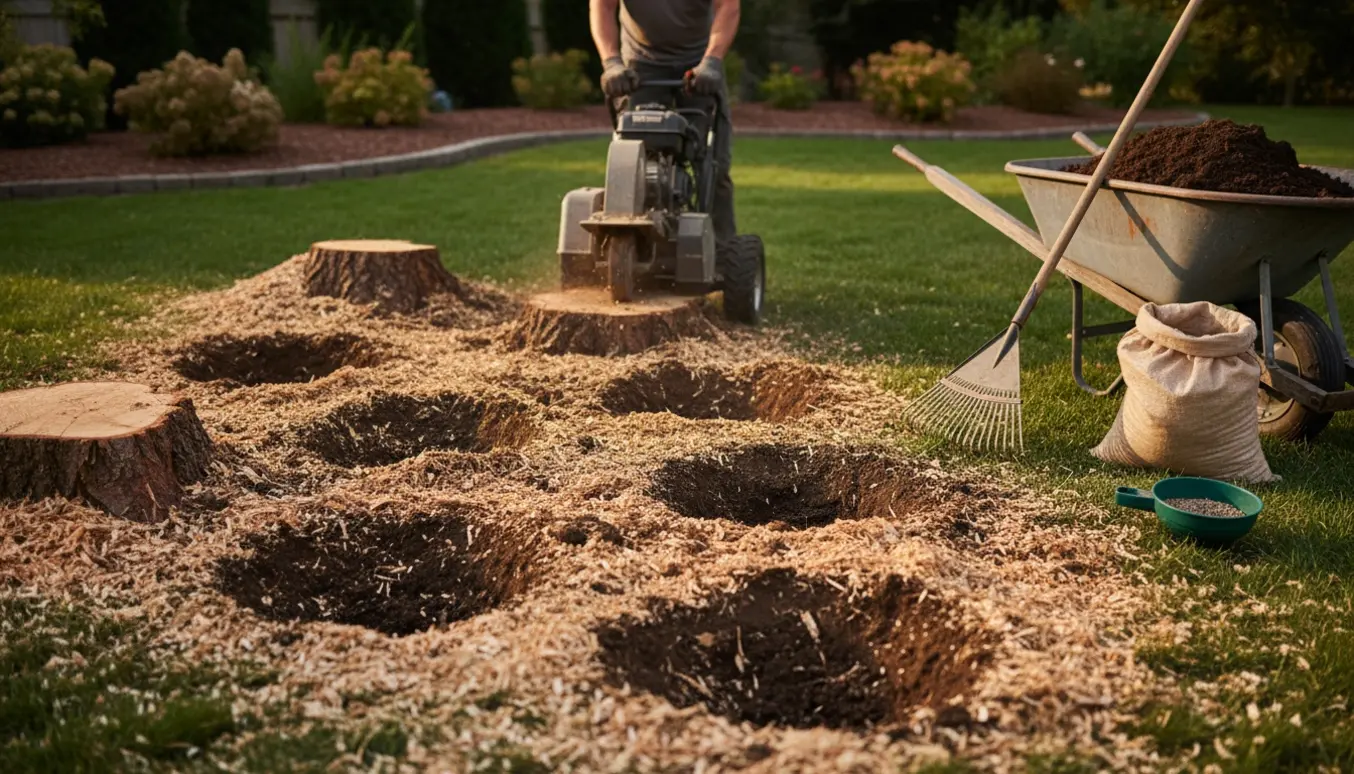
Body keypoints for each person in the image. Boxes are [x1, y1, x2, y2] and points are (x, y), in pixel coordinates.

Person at [589, 0, 740, 245]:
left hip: (699, 63)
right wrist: (611, 62)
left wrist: (712, 61)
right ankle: (627, 244)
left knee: (712, 165)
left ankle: (722, 252)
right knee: (630, 161)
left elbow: (728, 7)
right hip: (640, 65)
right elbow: (602, 6)